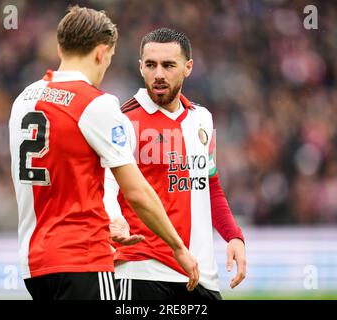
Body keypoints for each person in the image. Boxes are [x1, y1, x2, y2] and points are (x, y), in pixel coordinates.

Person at [9, 8, 199, 300]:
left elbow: (55, 178)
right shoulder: (96, 104)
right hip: (83, 259)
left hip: (34, 266)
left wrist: (108, 217)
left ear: (61, 47)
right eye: (108, 58)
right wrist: (178, 247)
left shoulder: (25, 98)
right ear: (101, 52)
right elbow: (137, 192)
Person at [104, 28, 247, 300]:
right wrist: (115, 220)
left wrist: (234, 236)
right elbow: (106, 188)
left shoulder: (202, 119)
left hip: (201, 273)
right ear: (141, 67)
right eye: (151, 65)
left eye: (168, 65)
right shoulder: (122, 121)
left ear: (188, 67)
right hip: (142, 270)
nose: (159, 74)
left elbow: (209, 187)